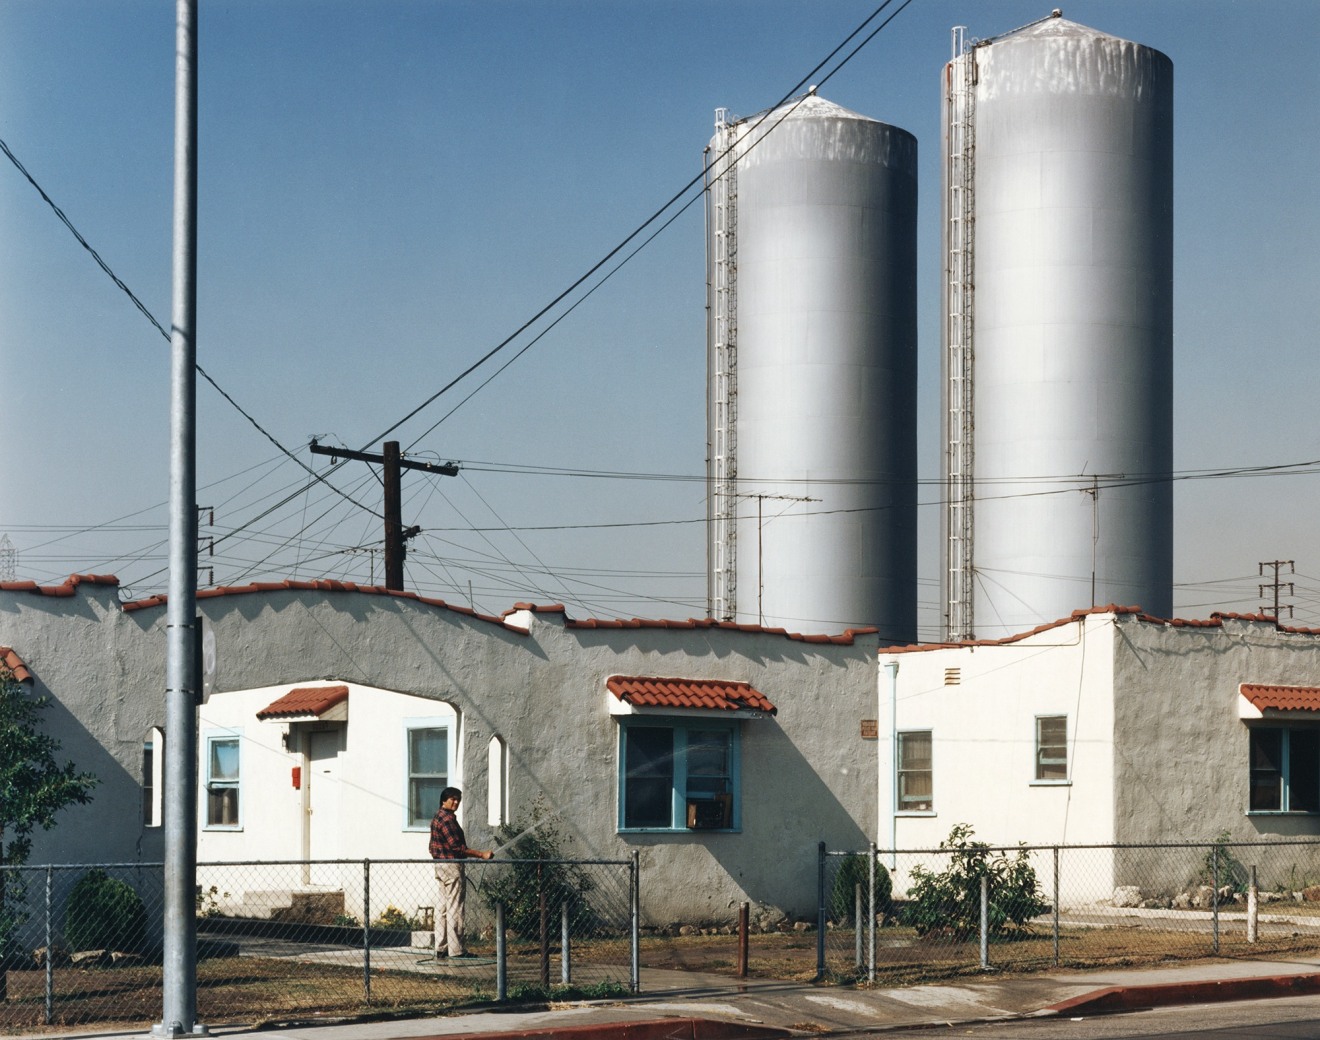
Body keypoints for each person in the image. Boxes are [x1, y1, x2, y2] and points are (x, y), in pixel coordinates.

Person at [428, 786, 494, 959]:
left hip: (440, 865)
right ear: (444, 800)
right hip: (451, 866)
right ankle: (456, 950)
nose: (456, 802)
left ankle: (441, 948)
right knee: (455, 908)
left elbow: (432, 847)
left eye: (458, 799)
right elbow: (457, 847)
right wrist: (482, 855)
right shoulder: (448, 820)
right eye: (452, 799)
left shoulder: (437, 817)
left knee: (442, 907)